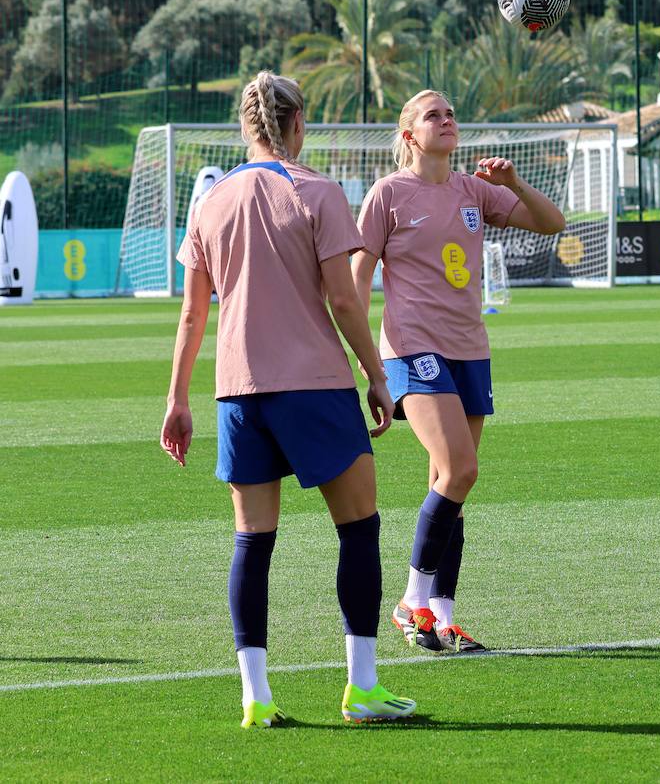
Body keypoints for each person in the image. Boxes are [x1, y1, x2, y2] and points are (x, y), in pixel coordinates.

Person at [160, 71, 416, 728]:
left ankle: (257, 697)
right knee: (359, 529)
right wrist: (377, 376)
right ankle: (361, 689)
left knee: (252, 541)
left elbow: (193, 316)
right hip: (315, 385)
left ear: (245, 127)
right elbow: (343, 297)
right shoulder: (318, 192)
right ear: (299, 122)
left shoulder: (211, 202)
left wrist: (177, 399)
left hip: (237, 393)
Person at [351, 89, 565, 653]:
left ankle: (442, 616)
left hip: (470, 349)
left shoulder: (474, 190)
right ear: (409, 135)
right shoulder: (388, 194)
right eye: (432, 116)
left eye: (449, 114)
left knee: (450, 482)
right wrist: (363, 361)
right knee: (460, 468)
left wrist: (513, 184)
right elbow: (355, 280)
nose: (446, 121)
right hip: (412, 350)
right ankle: (410, 600)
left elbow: (552, 222)